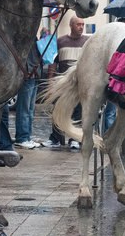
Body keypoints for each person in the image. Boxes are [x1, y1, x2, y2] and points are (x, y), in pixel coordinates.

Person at [43, 15, 89, 149]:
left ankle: (75, 139)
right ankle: (56, 138)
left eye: (82, 24)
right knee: (59, 109)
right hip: (63, 81)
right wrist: (50, 79)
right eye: (78, 24)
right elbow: (53, 61)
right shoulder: (61, 41)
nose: (81, 27)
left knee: (78, 111)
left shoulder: (88, 41)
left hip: (80, 82)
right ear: (71, 25)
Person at [12, 41, 45, 149]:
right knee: (24, 109)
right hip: (29, 75)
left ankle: (26, 137)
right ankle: (22, 138)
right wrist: (29, 71)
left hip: (34, 75)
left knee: (30, 110)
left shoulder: (34, 39)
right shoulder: (28, 39)